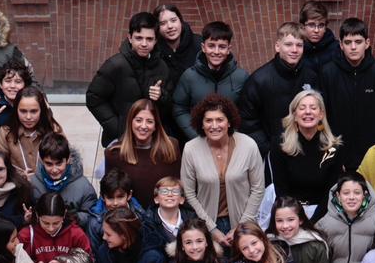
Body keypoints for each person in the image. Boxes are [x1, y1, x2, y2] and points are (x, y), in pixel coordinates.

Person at [181, 94, 266, 251]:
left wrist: (241, 225)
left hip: (244, 223)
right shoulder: (190, 149)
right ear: (201, 124)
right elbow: (189, 193)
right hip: (206, 225)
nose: (214, 125)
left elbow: (258, 188)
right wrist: (211, 229)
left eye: (219, 120)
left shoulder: (248, 145)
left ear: (229, 122)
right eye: (208, 120)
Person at [314, 17, 375, 166]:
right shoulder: (328, 73)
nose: (353, 47)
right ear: (341, 45)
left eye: (358, 42)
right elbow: (320, 112)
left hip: (372, 152)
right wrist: (328, 142)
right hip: (336, 151)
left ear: (367, 43)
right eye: (348, 42)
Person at [86, 12, 172, 146]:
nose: (144, 44)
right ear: (130, 38)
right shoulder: (115, 65)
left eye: (149, 39)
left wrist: (161, 97)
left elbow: (169, 106)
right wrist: (118, 129)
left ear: (156, 41)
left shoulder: (162, 67)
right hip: (121, 140)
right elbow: (93, 98)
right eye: (139, 38)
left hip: (151, 139)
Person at [237, 22, 315, 160]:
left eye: (299, 45)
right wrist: (269, 149)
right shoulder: (259, 80)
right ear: (277, 46)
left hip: (306, 151)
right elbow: (247, 121)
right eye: (288, 44)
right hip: (272, 154)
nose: (294, 50)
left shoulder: (311, 76)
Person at [173, 21, 249, 141]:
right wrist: (197, 135)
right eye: (211, 46)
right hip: (198, 141)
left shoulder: (241, 77)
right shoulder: (189, 76)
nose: (216, 52)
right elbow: (179, 108)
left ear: (229, 49)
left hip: (231, 141)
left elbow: (247, 112)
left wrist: (232, 134)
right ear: (203, 47)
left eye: (222, 47)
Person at [269, 89, 344, 210]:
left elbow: (332, 192)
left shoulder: (334, 148)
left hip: (325, 212)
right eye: (302, 108)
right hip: (291, 212)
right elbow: (281, 191)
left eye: (313, 108)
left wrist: (315, 220)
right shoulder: (280, 145)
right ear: (294, 115)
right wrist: (298, 217)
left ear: (321, 114)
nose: (308, 112)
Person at [105, 99, 181, 207]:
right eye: (139, 120)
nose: (143, 126)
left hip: (163, 213)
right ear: (130, 122)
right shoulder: (114, 154)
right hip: (129, 215)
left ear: (155, 125)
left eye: (149, 121)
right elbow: (109, 192)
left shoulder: (170, 148)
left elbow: (178, 186)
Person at [0, 86, 63, 193]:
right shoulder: (6, 132)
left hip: (48, 190)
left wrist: (39, 176)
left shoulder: (54, 130)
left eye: (34, 111)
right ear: (16, 110)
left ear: (41, 111)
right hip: (16, 190)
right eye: (23, 111)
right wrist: (19, 176)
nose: (28, 117)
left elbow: (65, 162)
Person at [34, 133, 97, 217]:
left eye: (59, 164)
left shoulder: (84, 187)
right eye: (49, 164)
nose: (54, 170)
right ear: (42, 161)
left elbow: (92, 216)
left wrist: (74, 217)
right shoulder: (34, 183)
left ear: (68, 160)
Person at [153, 2, 199, 76]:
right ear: (157, 27)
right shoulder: (153, 50)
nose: (170, 26)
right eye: (163, 23)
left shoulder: (199, 44)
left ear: (180, 21)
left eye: (173, 20)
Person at [298, 1, 343, 74]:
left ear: (325, 27)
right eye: (311, 25)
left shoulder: (337, 48)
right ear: (302, 26)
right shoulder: (296, 49)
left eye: (321, 25)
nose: (316, 30)